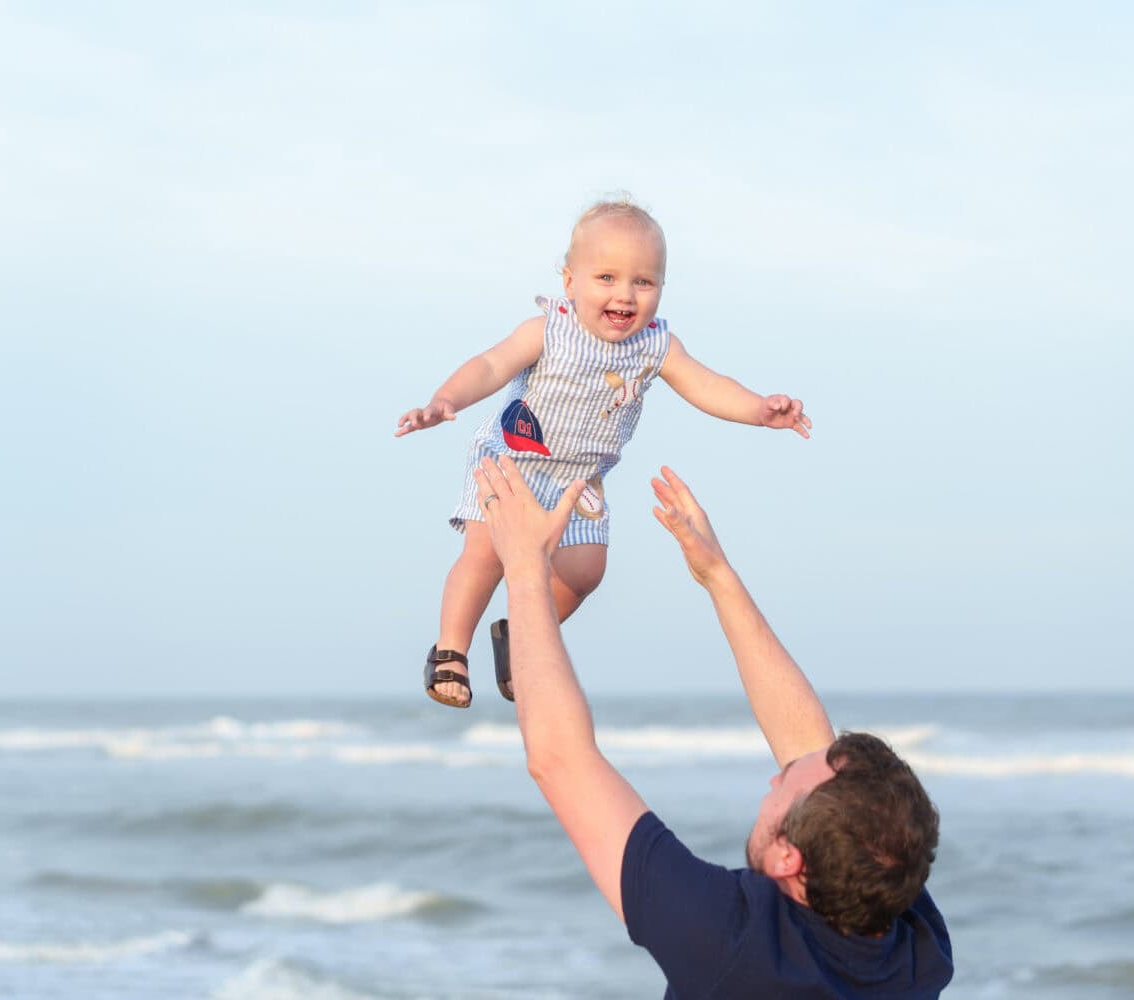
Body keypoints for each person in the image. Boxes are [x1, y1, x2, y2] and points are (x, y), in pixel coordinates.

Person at [476, 455, 953, 999]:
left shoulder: (732, 944)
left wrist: (525, 567)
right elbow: (812, 754)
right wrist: (717, 575)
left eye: (785, 786)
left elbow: (560, 758)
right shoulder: (911, 947)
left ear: (787, 858)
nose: (775, 780)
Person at [395, 198, 811, 708]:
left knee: (586, 572)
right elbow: (490, 365)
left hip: (580, 481)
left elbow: (707, 385)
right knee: (485, 556)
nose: (626, 295)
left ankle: (518, 635)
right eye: (607, 278)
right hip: (511, 461)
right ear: (570, 282)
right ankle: (450, 650)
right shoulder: (551, 328)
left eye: (644, 281)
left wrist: (759, 410)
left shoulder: (657, 346)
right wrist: (444, 401)